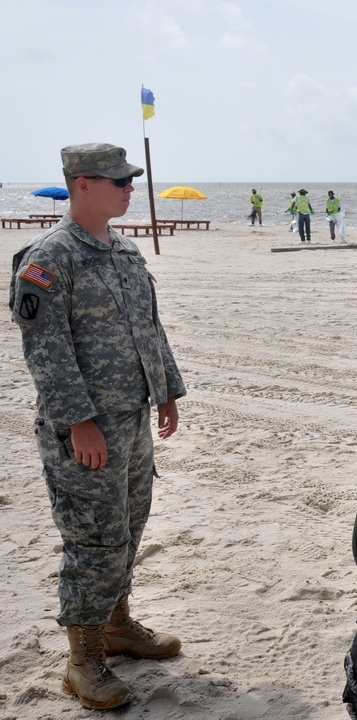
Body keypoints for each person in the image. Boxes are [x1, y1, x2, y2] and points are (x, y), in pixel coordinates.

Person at [9, 143, 187, 709]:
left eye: (131, 179)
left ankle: (116, 624)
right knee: (93, 537)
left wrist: (167, 393)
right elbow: (47, 351)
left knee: (130, 524)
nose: (129, 188)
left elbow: (150, 330)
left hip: (132, 419)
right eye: (118, 181)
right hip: (84, 427)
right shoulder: (48, 259)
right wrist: (79, 422)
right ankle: (82, 657)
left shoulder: (125, 253)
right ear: (82, 184)